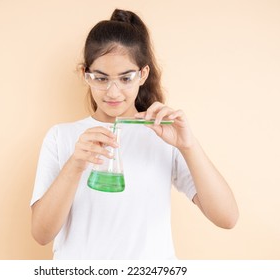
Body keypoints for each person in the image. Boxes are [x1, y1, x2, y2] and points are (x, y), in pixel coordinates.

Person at [30, 8, 238, 260]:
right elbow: (41, 234)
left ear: (143, 74)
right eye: (101, 78)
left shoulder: (162, 135)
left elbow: (227, 218)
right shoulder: (61, 137)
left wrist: (188, 145)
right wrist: (75, 165)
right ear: (86, 75)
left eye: (126, 78)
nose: (113, 92)